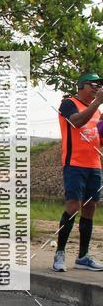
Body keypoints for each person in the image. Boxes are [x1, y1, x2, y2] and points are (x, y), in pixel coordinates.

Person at [53, 72, 103, 271]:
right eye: (94, 85)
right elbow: (77, 122)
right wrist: (97, 103)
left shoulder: (98, 112)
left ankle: (83, 257)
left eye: (99, 86)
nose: (97, 89)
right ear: (82, 85)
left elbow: (99, 139)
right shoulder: (68, 103)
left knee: (90, 209)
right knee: (73, 206)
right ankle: (59, 254)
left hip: (94, 166)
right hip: (74, 164)